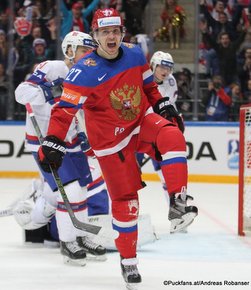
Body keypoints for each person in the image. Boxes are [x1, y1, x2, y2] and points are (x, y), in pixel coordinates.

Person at [37, 8, 198, 288]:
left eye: (115, 31)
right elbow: (63, 112)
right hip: (111, 143)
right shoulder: (82, 72)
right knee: (126, 203)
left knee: (173, 136)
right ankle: (129, 262)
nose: (111, 36)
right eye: (104, 32)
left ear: (122, 33)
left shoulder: (135, 54)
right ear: (95, 36)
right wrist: (53, 141)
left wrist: (162, 104)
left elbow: (149, 88)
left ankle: (178, 203)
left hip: (140, 120)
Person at [15, 31, 109, 266]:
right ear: (69, 50)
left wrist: (84, 135)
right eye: (83, 51)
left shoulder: (88, 76)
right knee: (71, 191)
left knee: (83, 190)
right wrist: (48, 91)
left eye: (91, 51)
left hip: (73, 141)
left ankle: (82, 236)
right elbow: (20, 93)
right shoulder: (52, 67)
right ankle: (68, 242)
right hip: (46, 142)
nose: (89, 56)